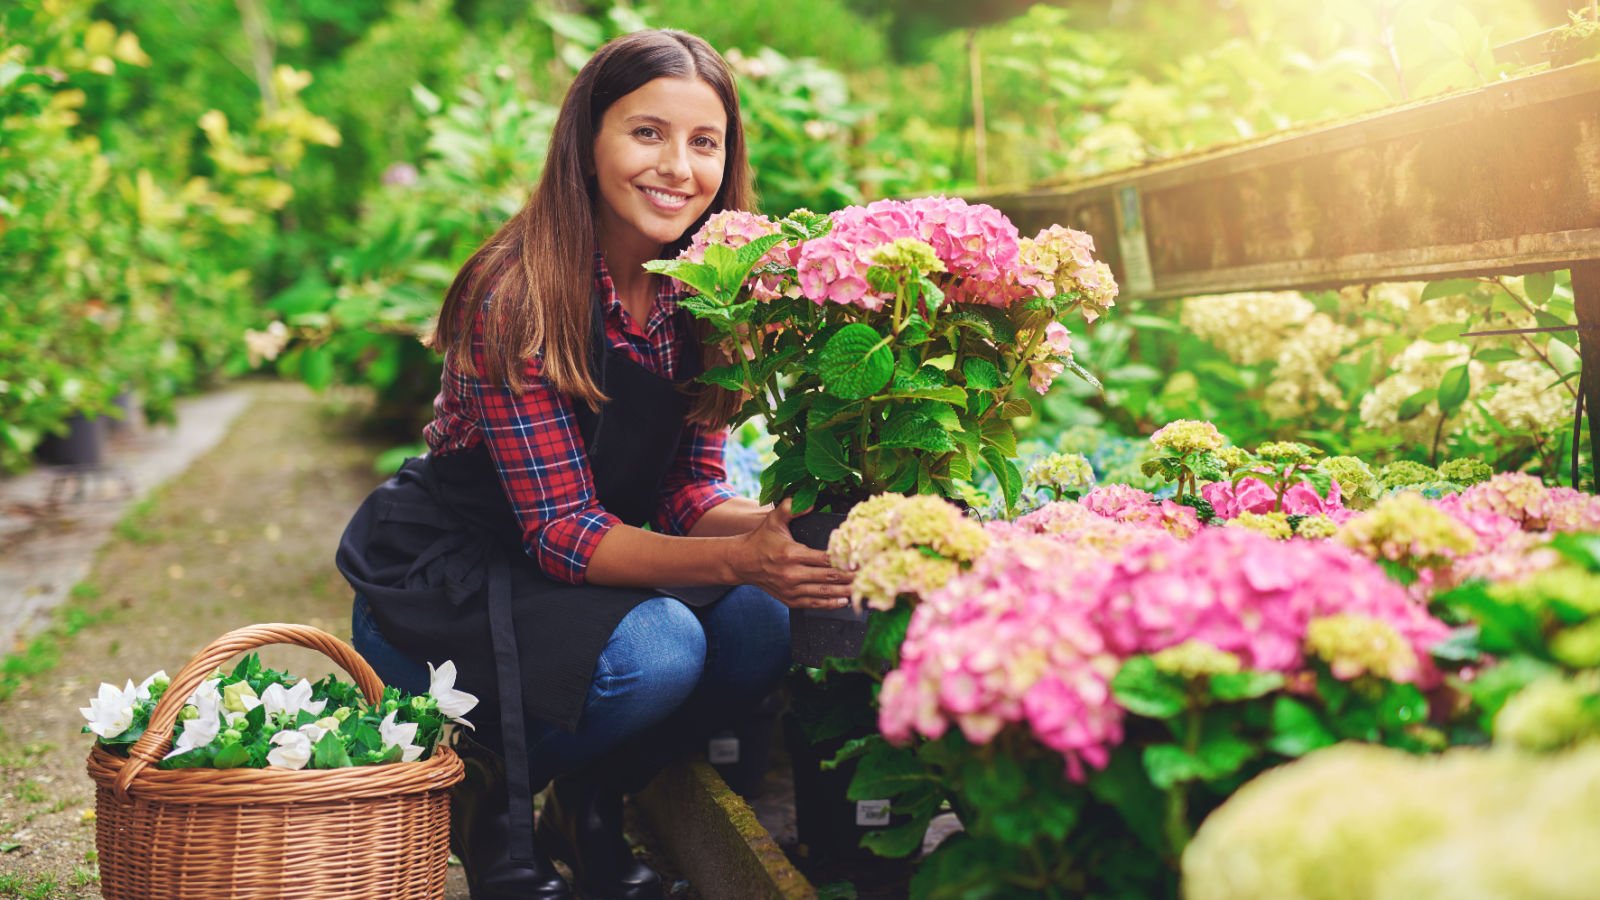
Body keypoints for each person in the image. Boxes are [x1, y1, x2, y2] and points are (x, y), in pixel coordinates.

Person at [335, 29, 853, 900]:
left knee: (763, 623)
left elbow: (688, 490)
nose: (678, 168)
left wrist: (778, 537)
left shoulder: (707, 290)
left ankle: (589, 803)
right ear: (586, 141)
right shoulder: (519, 294)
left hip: (569, 571)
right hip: (449, 583)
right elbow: (560, 530)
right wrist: (737, 558)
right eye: (646, 133)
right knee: (660, 651)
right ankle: (486, 791)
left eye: (704, 142)